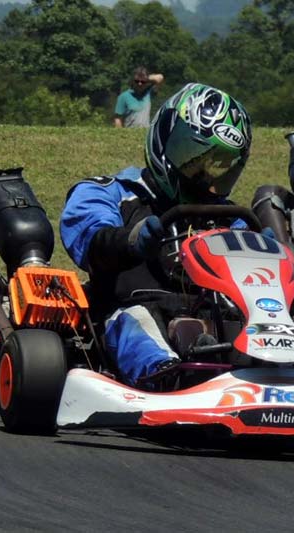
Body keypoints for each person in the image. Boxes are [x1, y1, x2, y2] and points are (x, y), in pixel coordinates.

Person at [61, 83, 252, 387]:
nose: (203, 176)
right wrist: (131, 240)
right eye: (193, 159)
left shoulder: (230, 217)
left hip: (215, 320)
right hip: (129, 312)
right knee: (137, 321)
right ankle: (169, 379)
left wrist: (266, 248)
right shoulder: (111, 192)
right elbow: (89, 240)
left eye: (218, 166)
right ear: (164, 137)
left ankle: (287, 372)